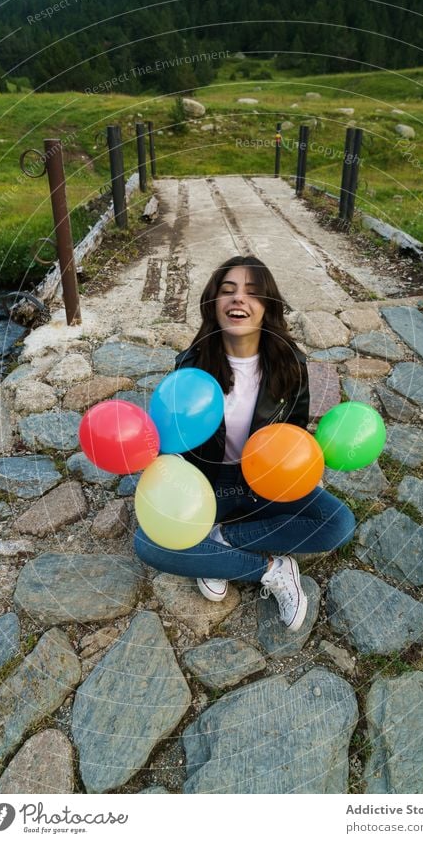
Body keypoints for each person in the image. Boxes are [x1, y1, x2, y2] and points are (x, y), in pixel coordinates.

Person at [134, 255, 356, 632]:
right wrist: (171, 495)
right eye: (228, 291)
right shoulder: (190, 365)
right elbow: (174, 442)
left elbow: (293, 435)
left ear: (267, 307)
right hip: (207, 486)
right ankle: (268, 568)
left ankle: (218, 544)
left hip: (264, 484)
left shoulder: (290, 364)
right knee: (148, 544)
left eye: (253, 293)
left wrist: (304, 472)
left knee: (339, 525)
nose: (239, 299)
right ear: (213, 303)